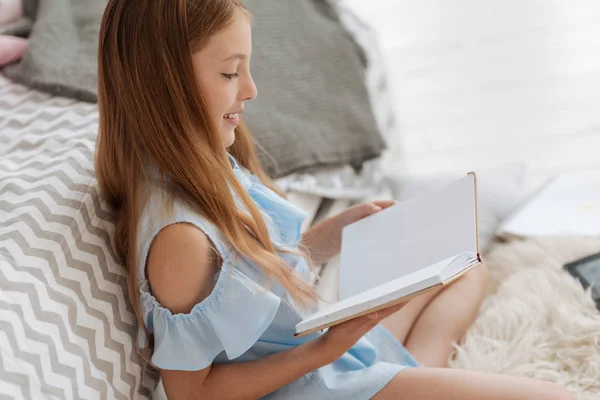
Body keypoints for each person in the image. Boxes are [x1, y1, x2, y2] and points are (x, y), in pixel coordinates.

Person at [94, 1, 575, 399]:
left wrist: (328, 238)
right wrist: (323, 351)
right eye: (229, 73)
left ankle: (415, 379)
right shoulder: (179, 239)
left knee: (464, 265)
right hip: (307, 382)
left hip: (329, 356)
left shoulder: (191, 163)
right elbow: (192, 394)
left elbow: (246, 278)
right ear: (165, 83)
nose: (251, 90)